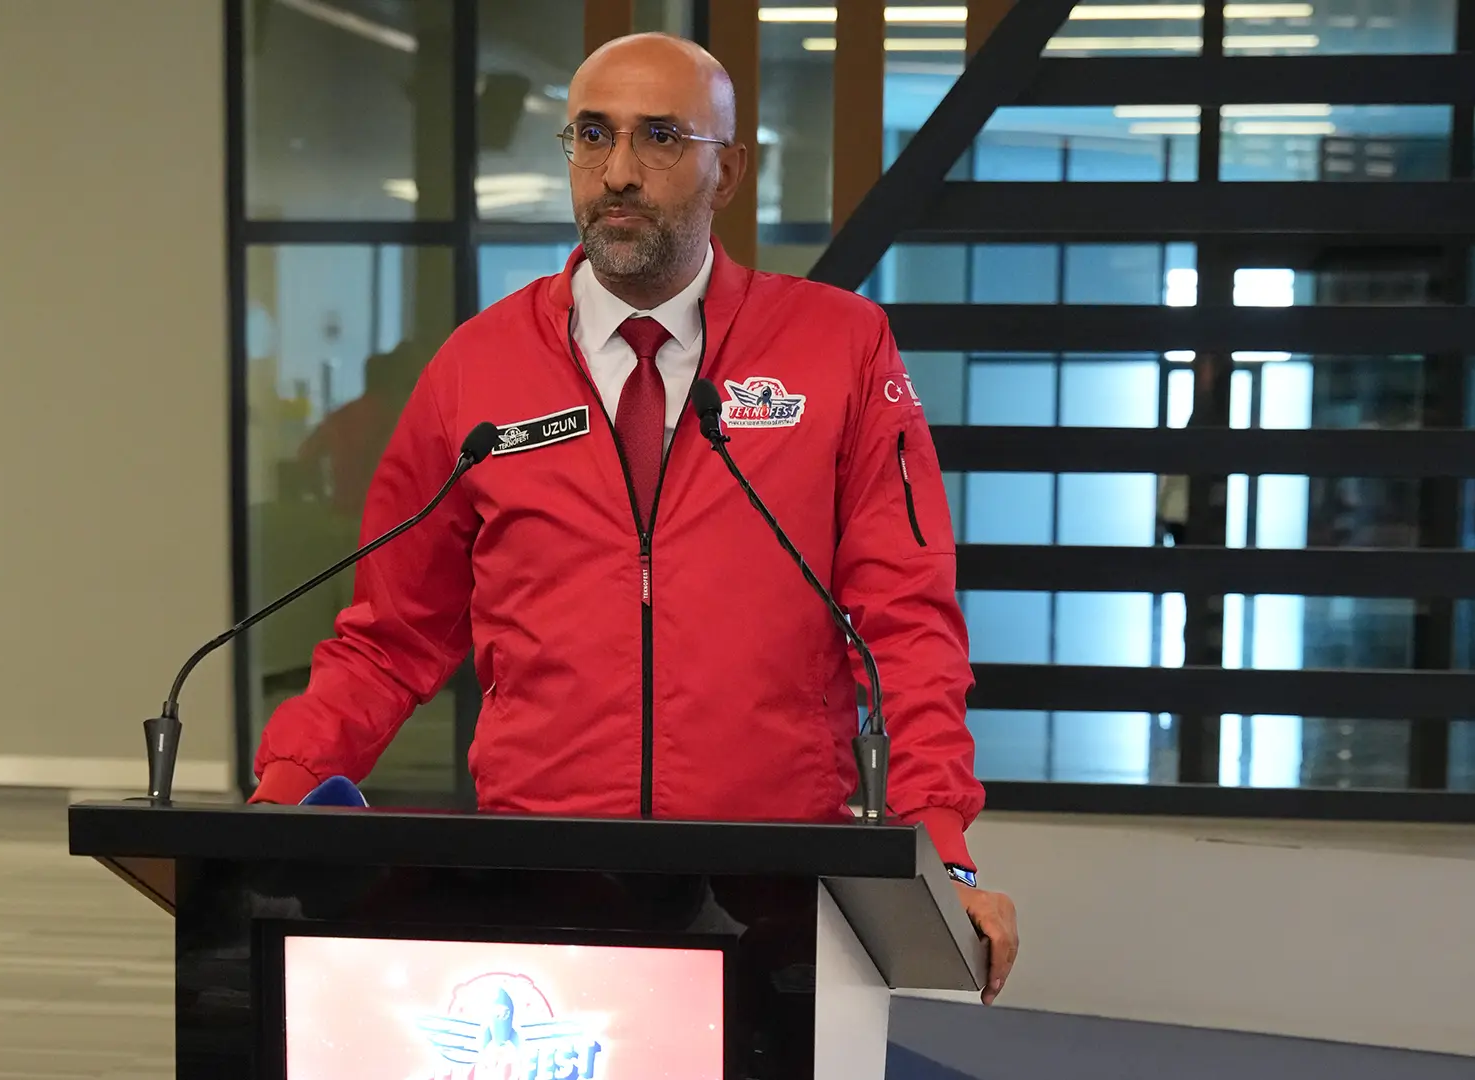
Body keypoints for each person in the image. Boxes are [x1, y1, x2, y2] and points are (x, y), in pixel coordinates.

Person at [249, 32, 1018, 1002]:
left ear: (727, 171)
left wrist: (942, 847)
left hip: (775, 881)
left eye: (659, 137)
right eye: (591, 135)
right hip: (541, 880)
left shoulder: (840, 349)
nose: (618, 171)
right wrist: (280, 796)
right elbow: (390, 638)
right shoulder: (475, 369)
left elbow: (906, 624)